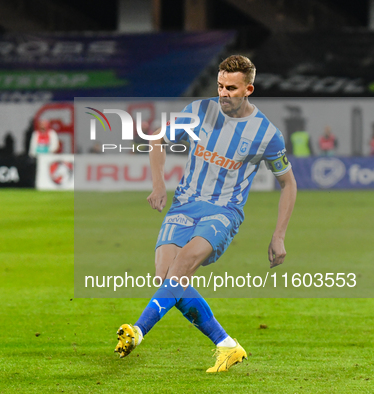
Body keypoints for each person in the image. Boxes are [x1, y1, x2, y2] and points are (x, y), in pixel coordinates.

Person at [115, 55, 297, 373]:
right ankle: (227, 346)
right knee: (166, 278)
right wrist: (159, 185)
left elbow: (289, 184)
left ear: (248, 89)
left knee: (182, 266)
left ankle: (138, 331)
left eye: (231, 87)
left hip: (223, 212)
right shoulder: (199, 112)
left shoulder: (266, 134)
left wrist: (278, 235)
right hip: (184, 206)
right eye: (219, 86)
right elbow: (157, 137)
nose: (223, 93)